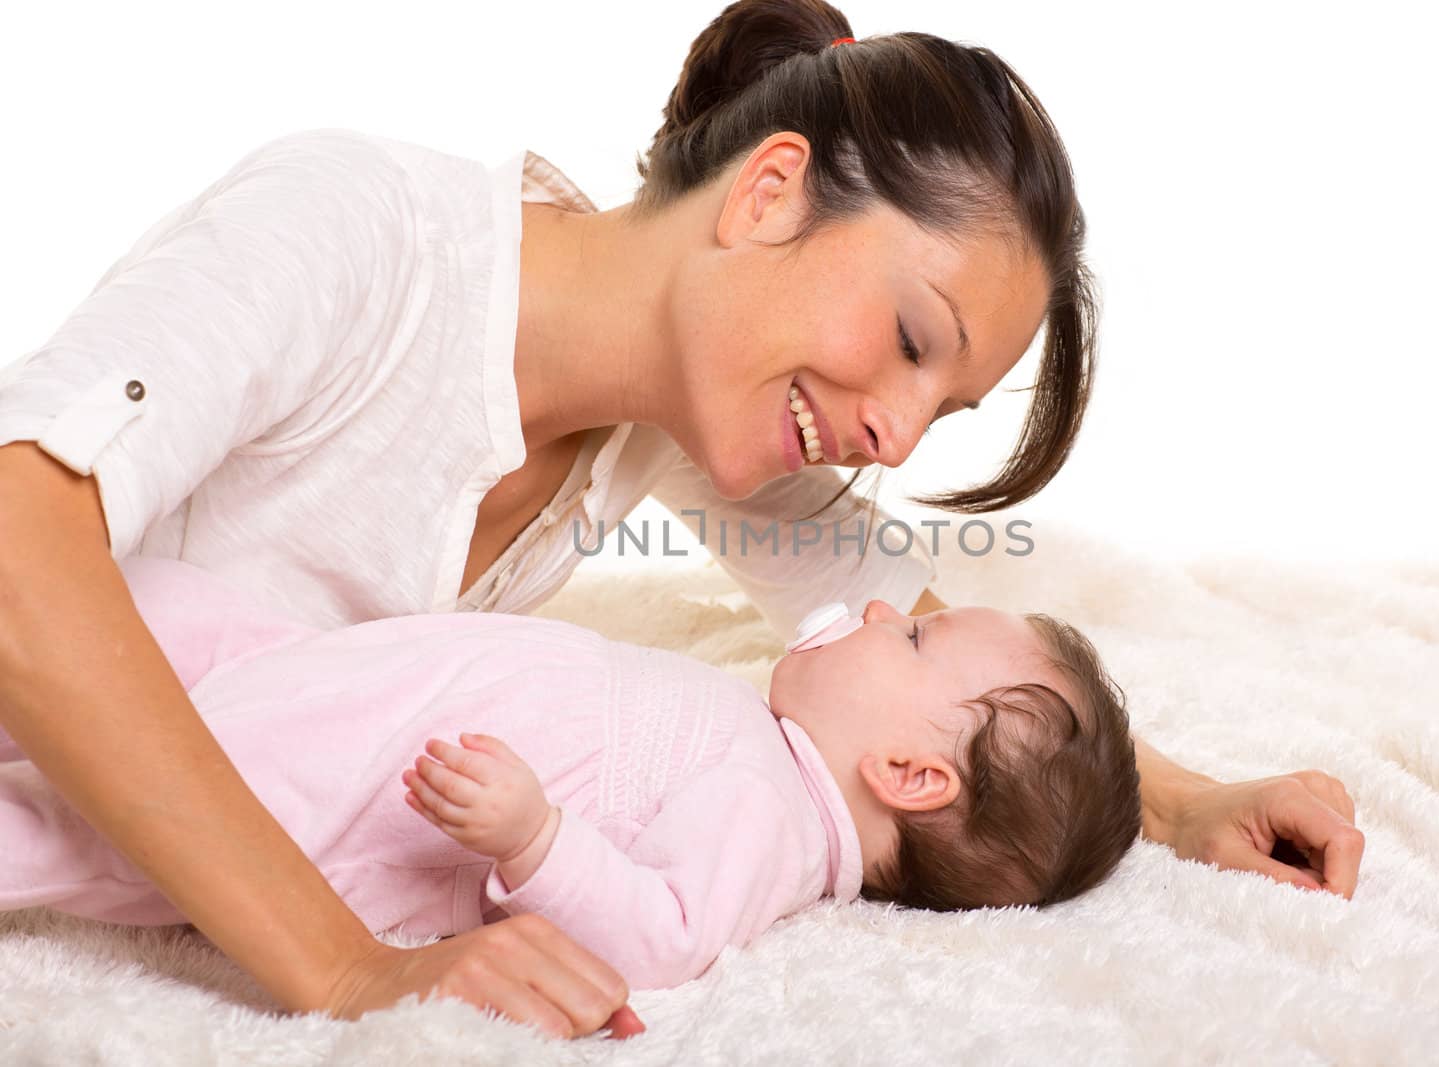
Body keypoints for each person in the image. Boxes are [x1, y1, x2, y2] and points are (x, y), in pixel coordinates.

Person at [0, 0, 1364, 1039]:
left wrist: (1187, 806)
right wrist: (350, 966)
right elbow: (16, 542)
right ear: (767, 193)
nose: (891, 430)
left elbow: (937, 667)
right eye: (907, 338)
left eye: (939, 408)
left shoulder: (694, 421)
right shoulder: (359, 229)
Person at [2, 556, 1141, 993]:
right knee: (153, 607)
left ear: (905, 772)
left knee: (107, 816)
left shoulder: (774, 820)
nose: (890, 610)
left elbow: (662, 931)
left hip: (361, 791)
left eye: (914, 644)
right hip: (357, 690)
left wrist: (533, 838)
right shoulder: (771, 745)